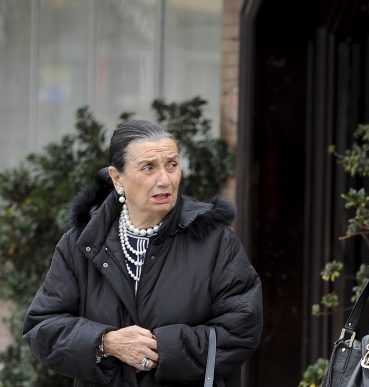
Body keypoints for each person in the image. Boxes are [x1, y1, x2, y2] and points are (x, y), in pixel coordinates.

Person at [23, 119, 262, 386]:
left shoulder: (215, 241)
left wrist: (163, 348)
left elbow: (242, 327)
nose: (165, 179)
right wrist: (106, 343)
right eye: (148, 167)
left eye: (172, 165)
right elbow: (42, 328)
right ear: (117, 178)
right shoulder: (82, 243)